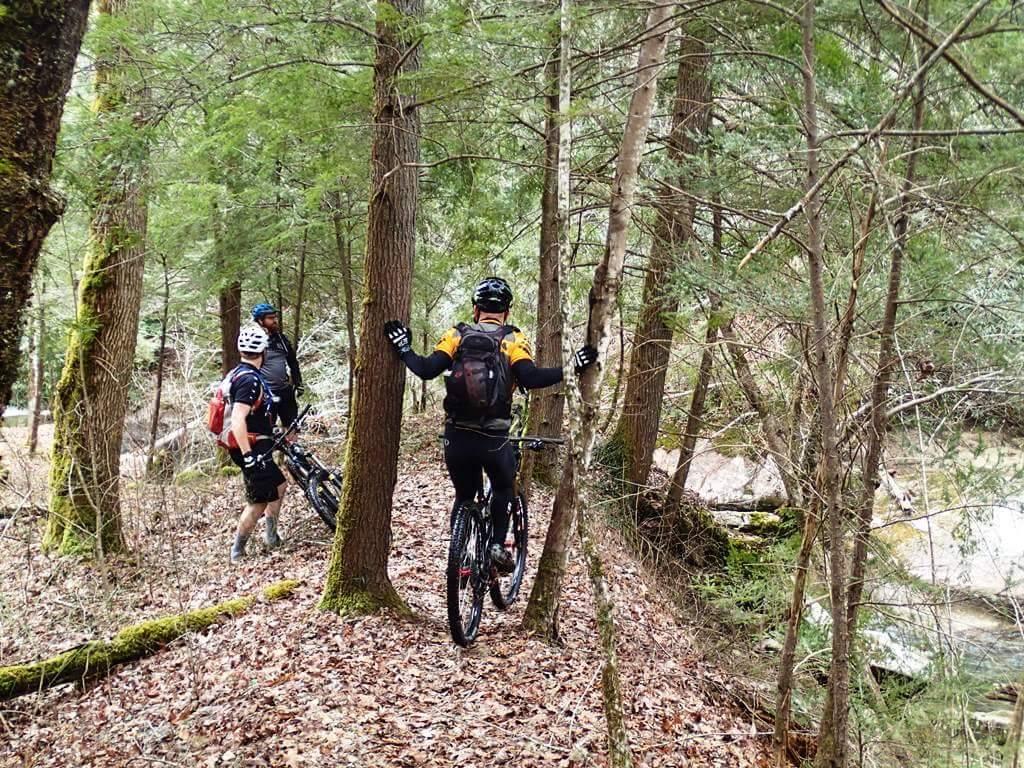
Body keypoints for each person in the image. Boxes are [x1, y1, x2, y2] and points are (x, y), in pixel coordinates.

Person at [384, 276, 597, 573]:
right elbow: (531, 379)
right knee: (502, 487)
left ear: (475, 309)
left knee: (464, 495)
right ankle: (497, 544)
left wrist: (403, 348)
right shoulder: (512, 340)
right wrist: (572, 367)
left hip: (456, 435)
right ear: (506, 312)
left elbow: (426, 370)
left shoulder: (456, 335)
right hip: (493, 436)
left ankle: (457, 557)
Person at [227, 325, 288, 564]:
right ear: (262, 351)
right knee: (257, 501)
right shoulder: (249, 380)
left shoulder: (239, 373)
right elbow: (237, 419)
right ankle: (237, 552)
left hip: (257, 445)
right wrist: (249, 455)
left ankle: (271, 537)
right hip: (251, 448)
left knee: (280, 485)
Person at [250, 303, 303, 431]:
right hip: (265, 394)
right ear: (260, 321)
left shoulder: (281, 339)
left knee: (292, 427)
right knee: (266, 430)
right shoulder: (252, 341)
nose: (274, 321)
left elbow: (292, 362)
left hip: (285, 390)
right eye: (270, 318)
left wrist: (298, 382)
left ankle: (290, 449)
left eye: (275, 317)